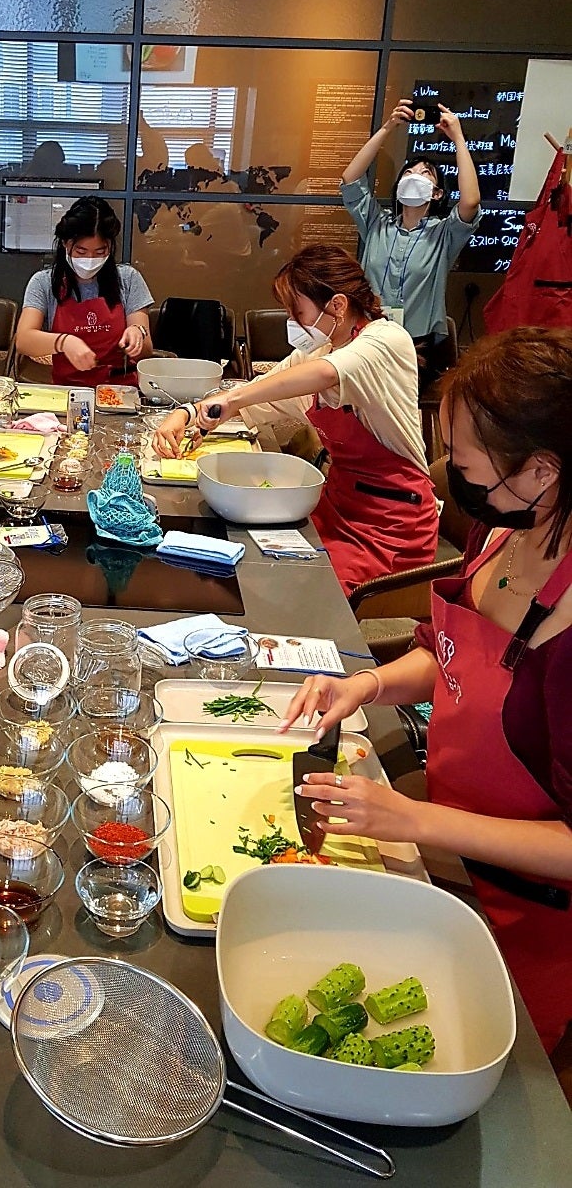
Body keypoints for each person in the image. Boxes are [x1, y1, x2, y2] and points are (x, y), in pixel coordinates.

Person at [286, 326, 572, 1057]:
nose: (452, 473)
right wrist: (368, 683)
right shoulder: (501, 533)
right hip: (434, 842)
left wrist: (412, 820)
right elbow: (443, 655)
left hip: (523, 915)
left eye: (468, 462)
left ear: (540, 470)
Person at [153, 245, 439, 594]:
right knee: (253, 567)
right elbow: (257, 391)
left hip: (392, 525)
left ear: (337, 305)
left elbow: (323, 375)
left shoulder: (386, 339)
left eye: (297, 310)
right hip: (336, 506)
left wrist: (232, 399)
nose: (292, 321)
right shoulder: (318, 351)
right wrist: (188, 415)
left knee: (298, 592)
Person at [341, 98, 482, 387]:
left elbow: (470, 201)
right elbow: (350, 178)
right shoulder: (377, 224)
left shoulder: (443, 234)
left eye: (425, 174)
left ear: (437, 194)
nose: (415, 177)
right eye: (409, 173)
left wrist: (458, 138)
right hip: (368, 337)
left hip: (418, 346)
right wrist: (388, 127)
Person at [15, 196, 154, 388]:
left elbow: (146, 349)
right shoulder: (43, 282)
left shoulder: (129, 279)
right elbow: (23, 340)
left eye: (100, 252)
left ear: (111, 247)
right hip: (67, 390)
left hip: (120, 391)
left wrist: (137, 335)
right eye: (81, 252)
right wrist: (65, 342)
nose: (90, 259)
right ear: (65, 243)